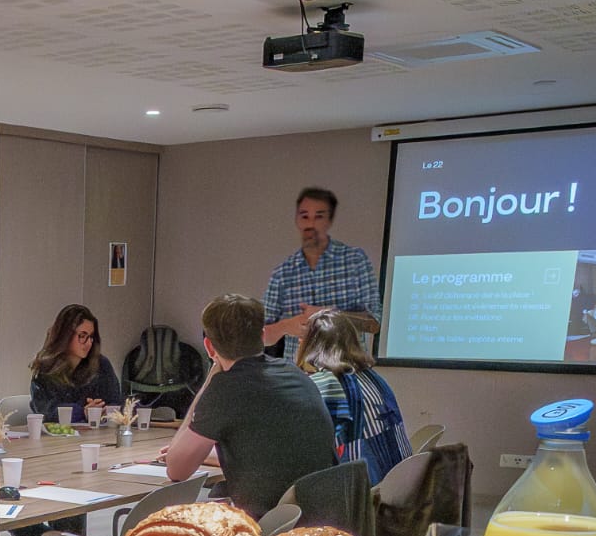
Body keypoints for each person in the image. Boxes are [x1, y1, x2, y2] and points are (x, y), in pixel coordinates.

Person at [164, 294, 336, 517]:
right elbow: (272, 451)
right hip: (320, 516)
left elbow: (177, 471)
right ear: (263, 335)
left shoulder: (226, 387)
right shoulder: (293, 372)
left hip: (273, 527)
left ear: (209, 346)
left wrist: (211, 380)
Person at [296, 309, 411, 487]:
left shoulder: (325, 383)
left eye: (303, 338)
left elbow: (311, 447)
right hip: (399, 483)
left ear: (312, 344)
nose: (299, 341)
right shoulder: (371, 376)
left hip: (362, 492)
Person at [262, 188, 380, 359]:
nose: (310, 224)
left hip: (346, 370)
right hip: (300, 377)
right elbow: (260, 336)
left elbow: (373, 323)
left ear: (329, 221)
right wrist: (286, 326)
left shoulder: (354, 261)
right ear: (297, 220)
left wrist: (330, 315)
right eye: (304, 216)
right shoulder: (283, 273)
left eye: (318, 216)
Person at [28, 304, 123, 423]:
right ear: (65, 335)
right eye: (82, 336)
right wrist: (82, 412)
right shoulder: (45, 370)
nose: (88, 343)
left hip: (96, 435)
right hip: (57, 438)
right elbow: (46, 413)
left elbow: (116, 402)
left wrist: (103, 411)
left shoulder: (101, 365)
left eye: (91, 337)